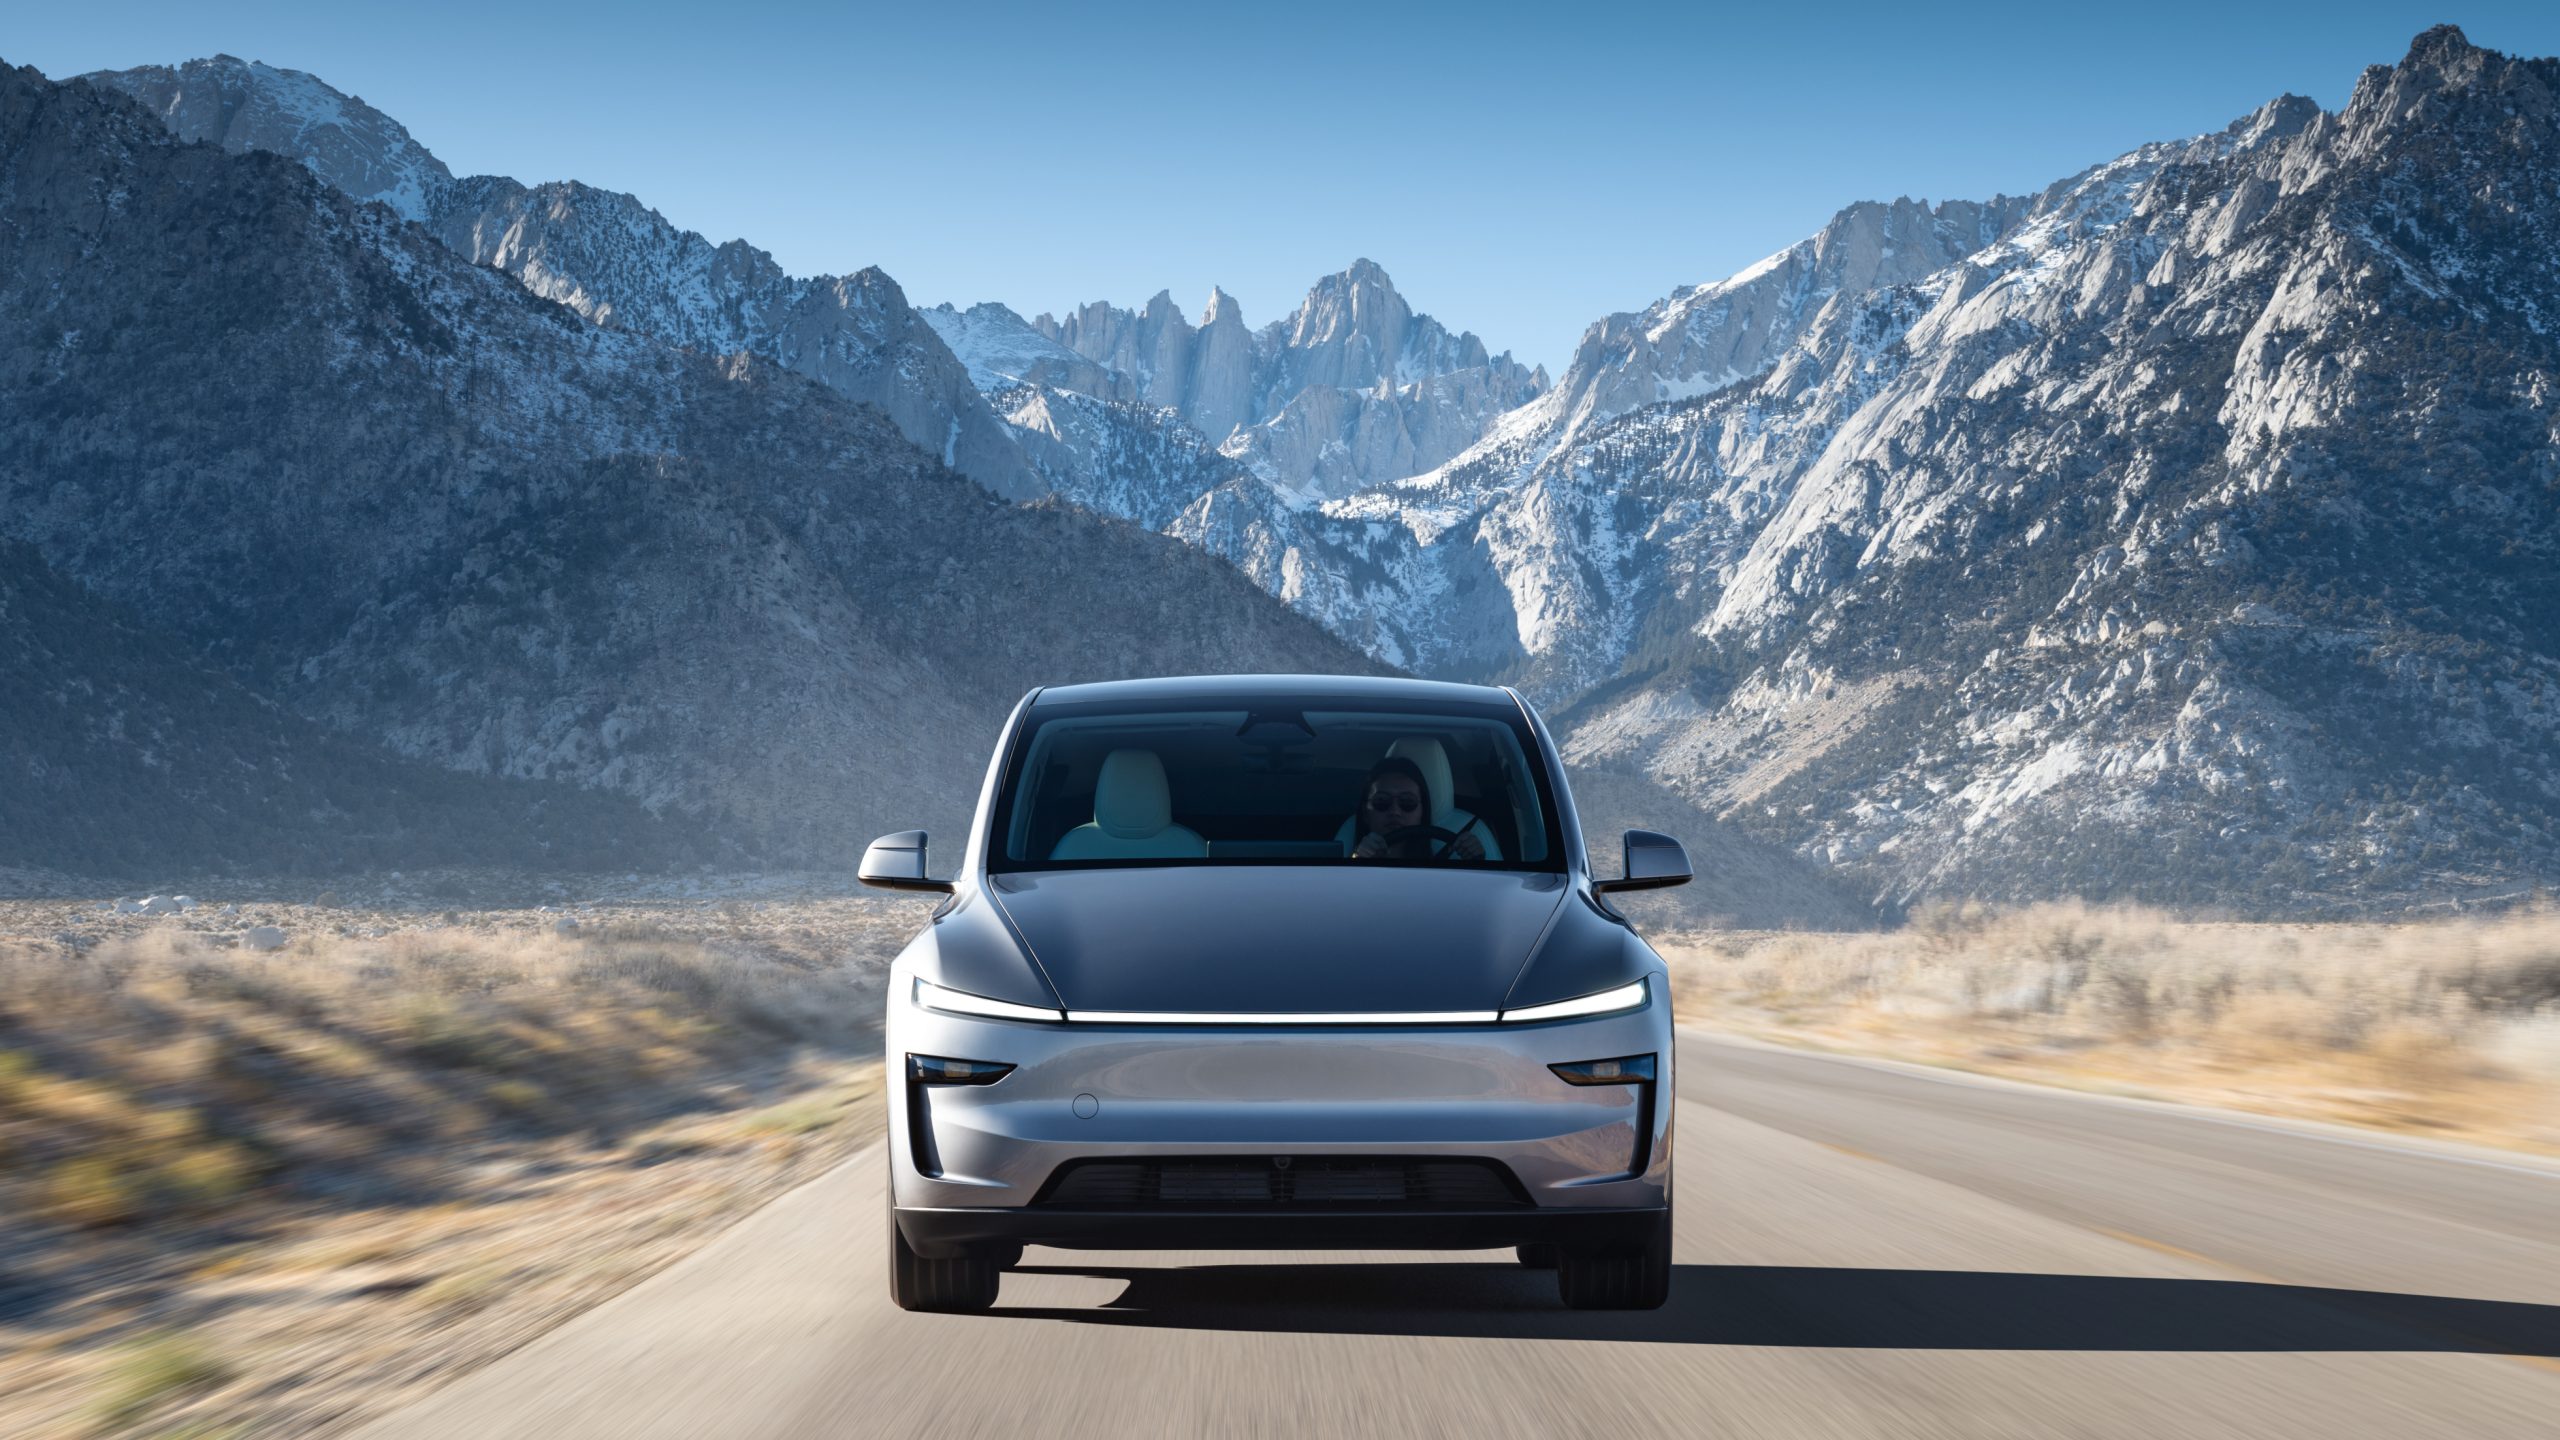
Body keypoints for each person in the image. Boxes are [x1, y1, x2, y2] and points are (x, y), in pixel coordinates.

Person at [1350, 756, 1486, 861]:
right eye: (1382, 802)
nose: (1395, 811)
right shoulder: (1339, 867)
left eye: (1408, 802)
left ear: (1423, 811)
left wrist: (1477, 862)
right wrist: (1357, 860)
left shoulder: (1448, 872)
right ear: (1365, 813)